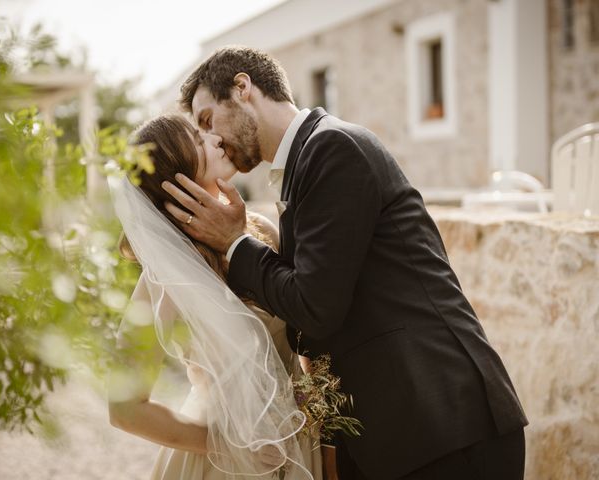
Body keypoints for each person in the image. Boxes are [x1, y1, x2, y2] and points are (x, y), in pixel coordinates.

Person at [162, 46, 529, 480]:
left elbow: (316, 306)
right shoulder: (304, 164)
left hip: (444, 427)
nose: (213, 138)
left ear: (242, 89)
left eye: (208, 120)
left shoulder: (333, 147)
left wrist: (236, 243)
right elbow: (321, 328)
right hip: (396, 439)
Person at [107, 114, 323, 480]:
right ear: (178, 179)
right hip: (224, 465)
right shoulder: (164, 278)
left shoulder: (263, 231)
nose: (215, 139)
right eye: (198, 138)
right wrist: (231, 445)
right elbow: (124, 409)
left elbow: (308, 328)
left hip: (303, 447)